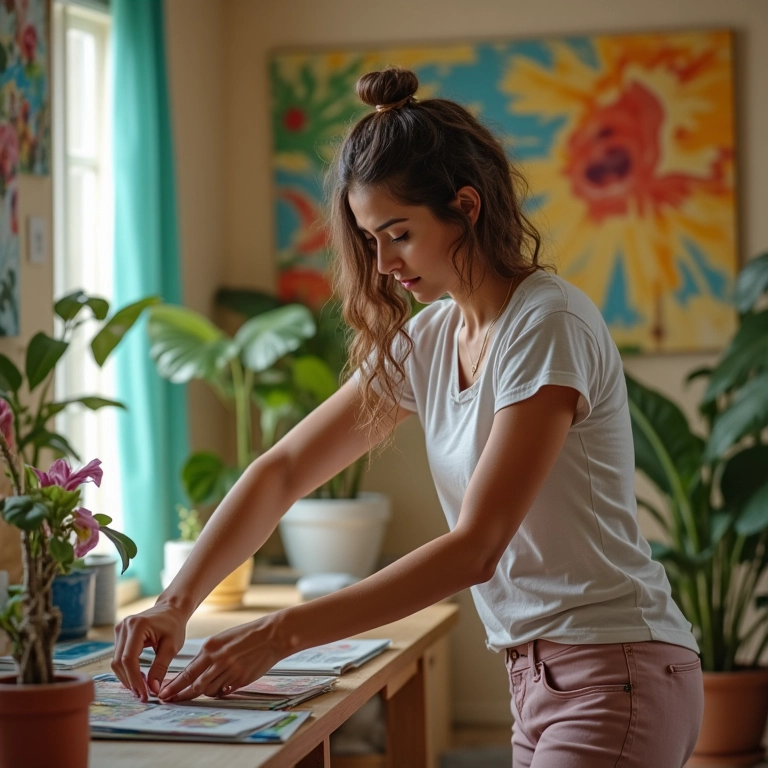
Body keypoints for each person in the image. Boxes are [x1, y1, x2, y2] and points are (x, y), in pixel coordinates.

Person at [111, 67, 704, 767]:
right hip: (537, 678)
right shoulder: (431, 338)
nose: (384, 261)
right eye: (369, 239)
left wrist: (283, 633)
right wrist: (174, 604)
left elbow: (477, 546)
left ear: (466, 206)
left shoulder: (548, 324)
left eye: (398, 233)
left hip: (616, 670)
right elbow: (285, 469)